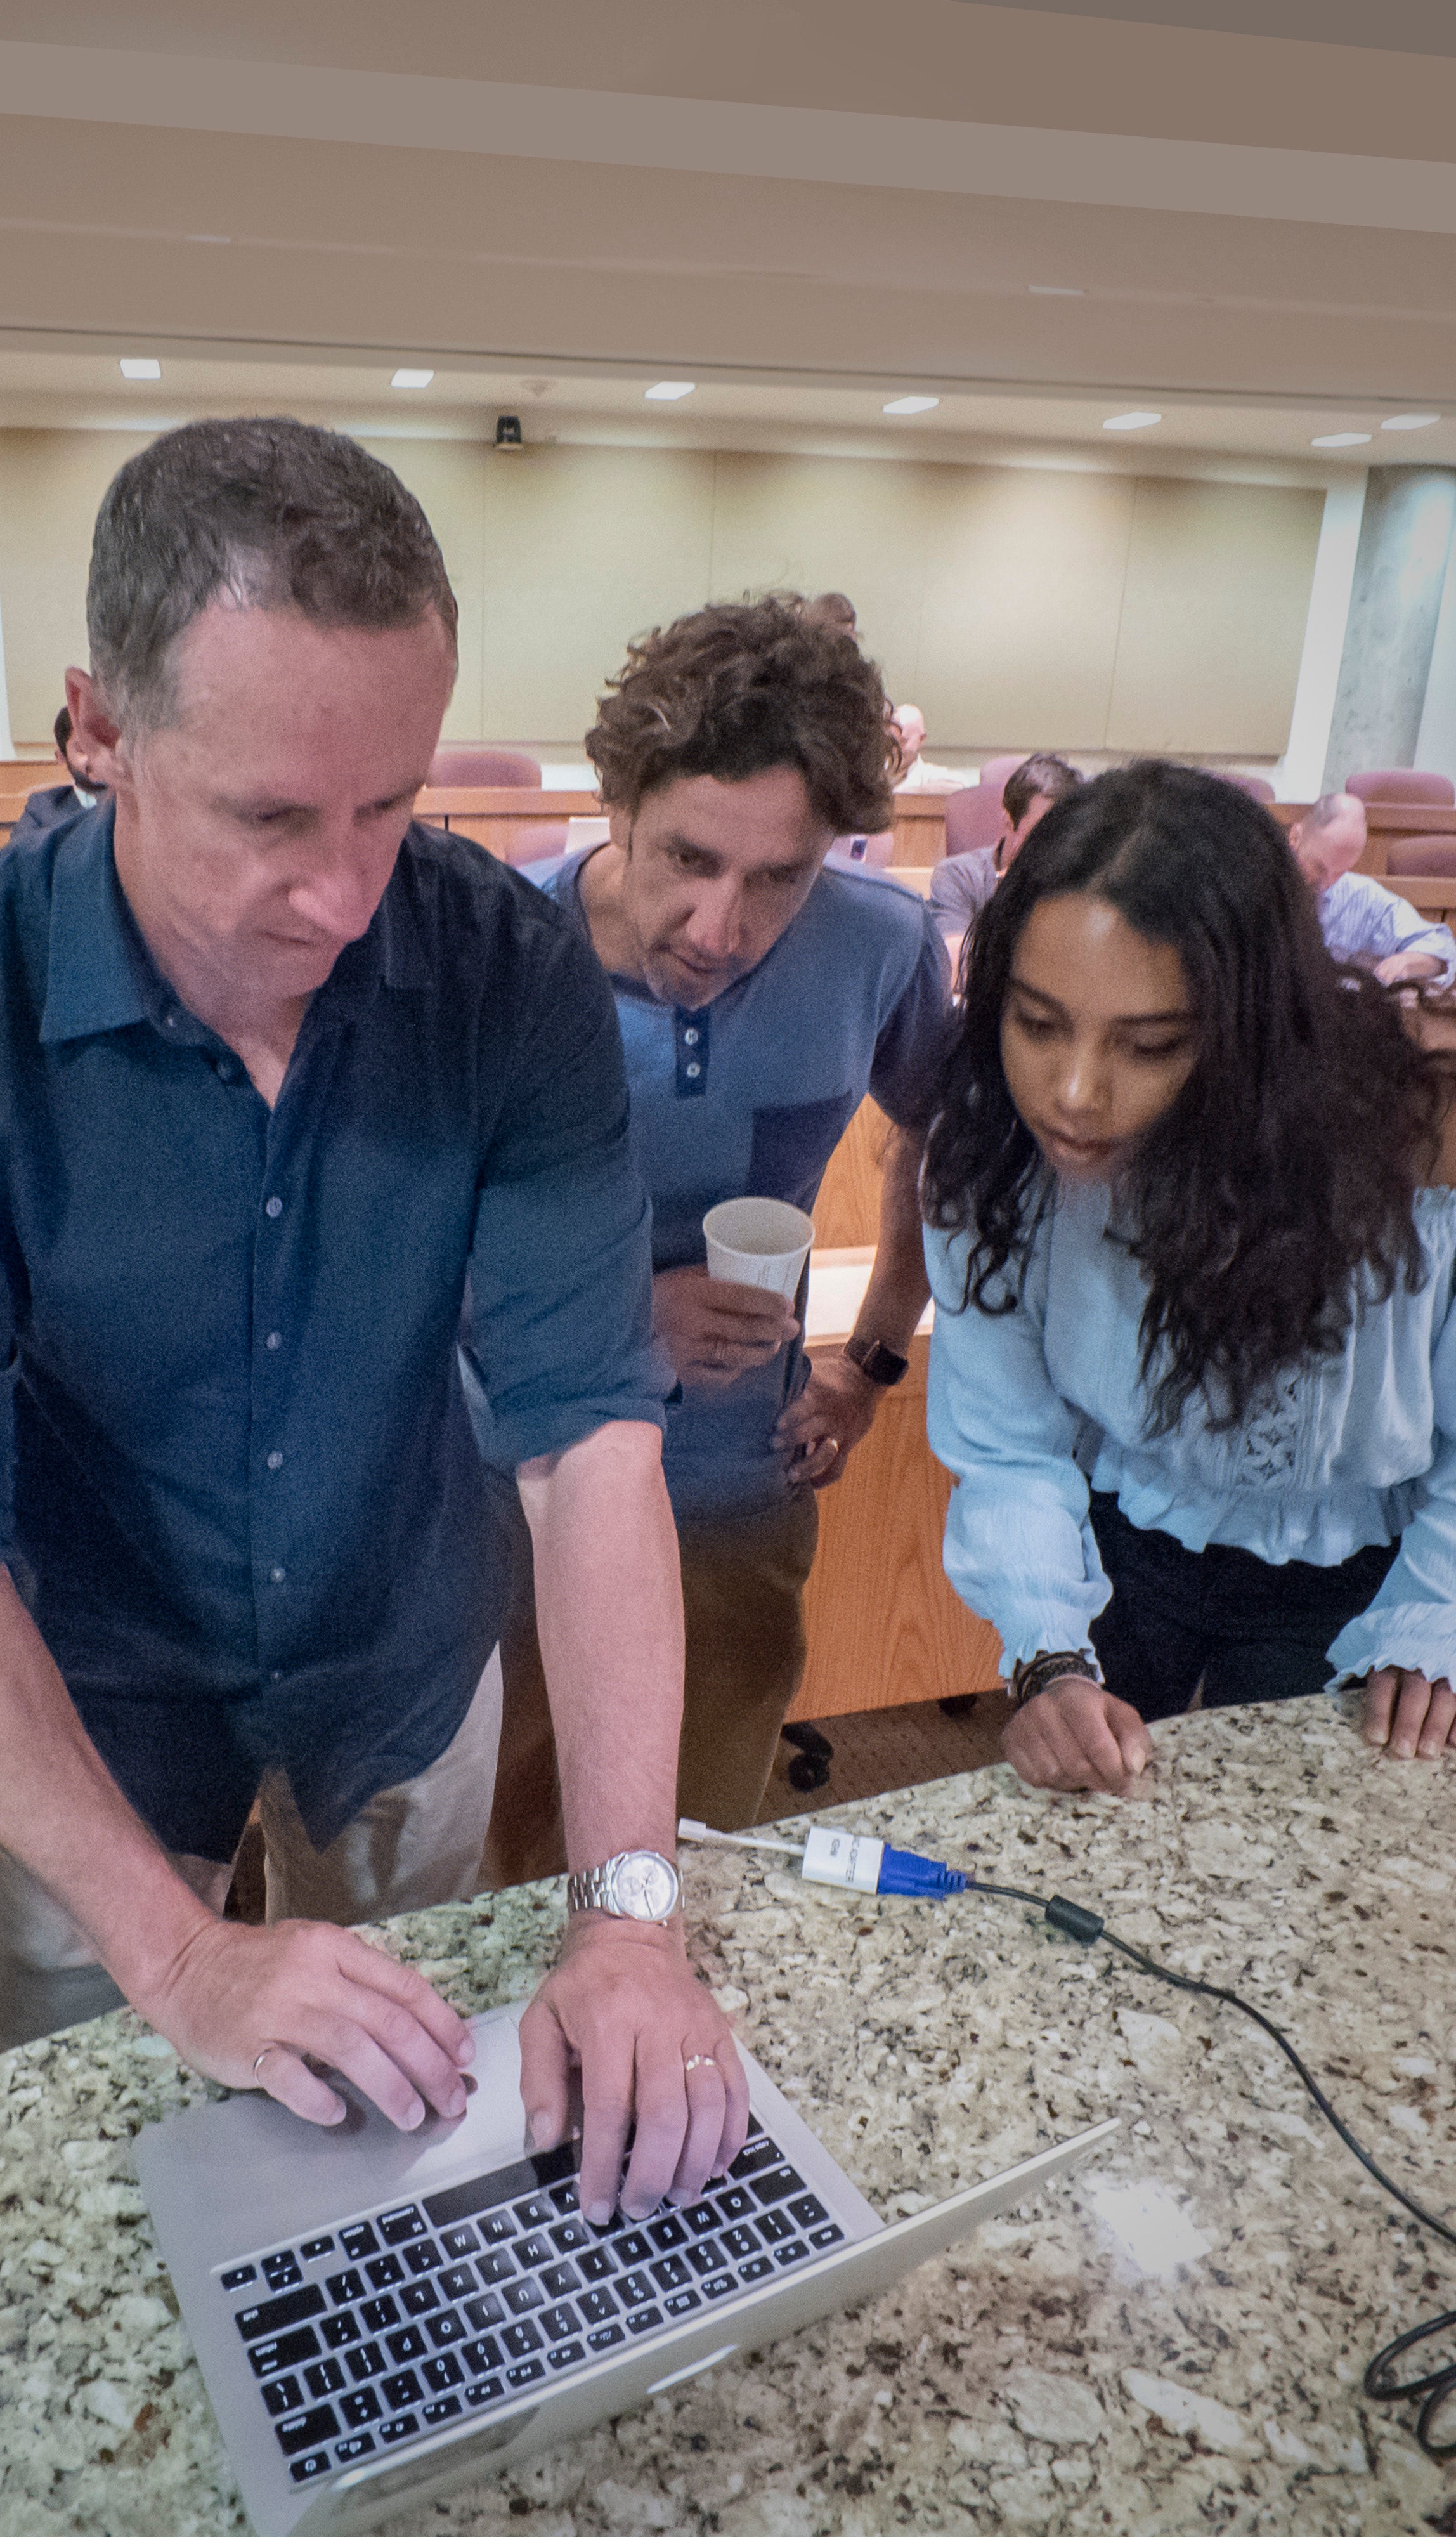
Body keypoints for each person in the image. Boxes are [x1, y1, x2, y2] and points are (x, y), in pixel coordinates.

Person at [0, 417, 746, 2222]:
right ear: (97, 730)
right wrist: (172, 1953)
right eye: (271, 816)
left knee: (408, 2155)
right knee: (100, 2197)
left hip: (404, 1653)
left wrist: (629, 1912)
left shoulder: (504, 966)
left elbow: (590, 1433)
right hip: (89, 1707)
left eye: (391, 807)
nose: (346, 892)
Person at [918, 762, 1456, 1797]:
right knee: (1095, 1823)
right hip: (1117, 1541)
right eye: (1037, 1023)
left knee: (1315, 1842)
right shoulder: (993, 1135)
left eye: (1150, 1045)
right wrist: (1048, 1653)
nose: (1073, 1094)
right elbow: (1004, 1440)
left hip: (1361, 1570)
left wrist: (1442, 1617)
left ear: (1256, 1028)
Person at [486, 597, 946, 1878]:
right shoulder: (497, 951)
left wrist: (874, 1360)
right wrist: (621, 1321)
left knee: (700, 1850)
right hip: (509, 1481)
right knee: (509, 1856)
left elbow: (944, 1138)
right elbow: (384, 1245)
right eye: (687, 858)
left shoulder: (880, 943)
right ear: (618, 803)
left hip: (736, 1480)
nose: (718, 928)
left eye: (778, 877)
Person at [928, 752, 1080, 988]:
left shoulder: (1083, 880)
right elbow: (955, 968)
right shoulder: (959, 875)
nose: (1054, 846)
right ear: (1009, 823)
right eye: (1041, 832)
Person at [1290, 792, 1456, 986]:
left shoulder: (1363, 896)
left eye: (1340, 872)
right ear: (1295, 837)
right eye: (1319, 868)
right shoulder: (1261, 883)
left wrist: (1408, 961)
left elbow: (1440, 948)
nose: (1326, 883)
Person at [3, 705, 105, 855]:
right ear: (61, 757)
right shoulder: (43, 807)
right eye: (83, 749)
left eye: (102, 746)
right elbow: (18, 857)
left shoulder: (135, 802)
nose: (96, 758)